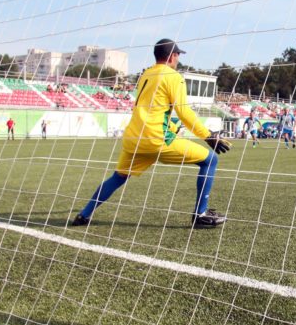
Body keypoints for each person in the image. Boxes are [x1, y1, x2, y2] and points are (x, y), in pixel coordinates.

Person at [72, 38, 232, 229]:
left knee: (118, 177)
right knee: (210, 160)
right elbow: (185, 112)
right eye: (178, 55)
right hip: (156, 139)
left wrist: (172, 127)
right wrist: (208, 136)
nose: (178, 59)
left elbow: (152, 110)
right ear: (173, 56)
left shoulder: (145, 75)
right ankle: (200, 214)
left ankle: (84, 215)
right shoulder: (173, 76)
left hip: (133, 139)